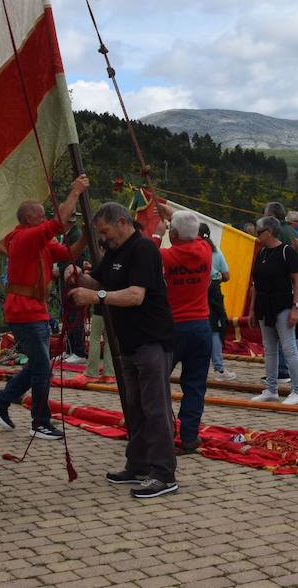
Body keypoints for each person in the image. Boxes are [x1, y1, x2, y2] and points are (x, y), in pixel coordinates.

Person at [69, 202, 179, 499]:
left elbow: (134, 295)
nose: (104, 238)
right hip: (128, 342)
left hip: (152, 340)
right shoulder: (115, 250)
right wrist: (78, 275)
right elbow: (98, 280)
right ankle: (138, 463)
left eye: (105, 231)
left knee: (155, 408)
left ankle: (164, 473)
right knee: (134, 406)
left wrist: (95, 295)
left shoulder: (143, 249)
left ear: (121, 222)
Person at [0, 177, 89, 442]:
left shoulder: (38, 242)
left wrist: (87, 235)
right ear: (28, 219)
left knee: (39, 366)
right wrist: (75, 191)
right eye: (40, 215)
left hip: (34, 310)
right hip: (24, 311)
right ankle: (39, 422)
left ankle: (1, 401)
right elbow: (59, 223)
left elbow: (68, 253)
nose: (45, 218)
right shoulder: (26, 238)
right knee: (42, 368)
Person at [158, 208, 214, 453]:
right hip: (201, 326)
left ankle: (159, 431)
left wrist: (157, 233)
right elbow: (194, 232)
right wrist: (173, 215)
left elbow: (146, 252)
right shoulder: (205, 251)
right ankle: (189, 436)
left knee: (157, 381)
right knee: (195, 385)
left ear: (175, 234)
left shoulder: (164, 256)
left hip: (173, 327)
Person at [246, 216, 298, 405]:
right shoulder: (262, 253)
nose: (257, 236)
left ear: (269, 232)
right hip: (264, 305)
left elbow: (297, 281)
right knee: (269, 348)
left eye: (259, 232)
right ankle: (271, 388)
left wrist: (296, 307)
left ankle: (297, 390)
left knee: (288, 347)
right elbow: (256, 284)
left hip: (282, 304)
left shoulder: (287, 252)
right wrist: (252, 309)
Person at [203, 224, 235, 381]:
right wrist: (216, 280)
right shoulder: (215, 252)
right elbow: (227, 275)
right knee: (215, 328)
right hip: (214, 290)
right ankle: (219, 368)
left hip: (195, 289)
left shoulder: (192, 251)